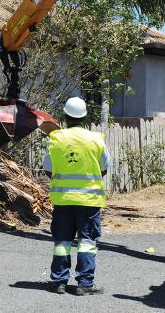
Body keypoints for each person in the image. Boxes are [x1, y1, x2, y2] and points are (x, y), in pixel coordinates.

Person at [43, 97, 111, 296]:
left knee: (62, 242)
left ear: (65, 116)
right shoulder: (96, 139)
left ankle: (59, 282)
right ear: (85, 117)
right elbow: (104, 169)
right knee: (87, 242)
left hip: (63, 201)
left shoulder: (56, 139)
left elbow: (48, 169)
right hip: (89, 202)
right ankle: (84, 284)